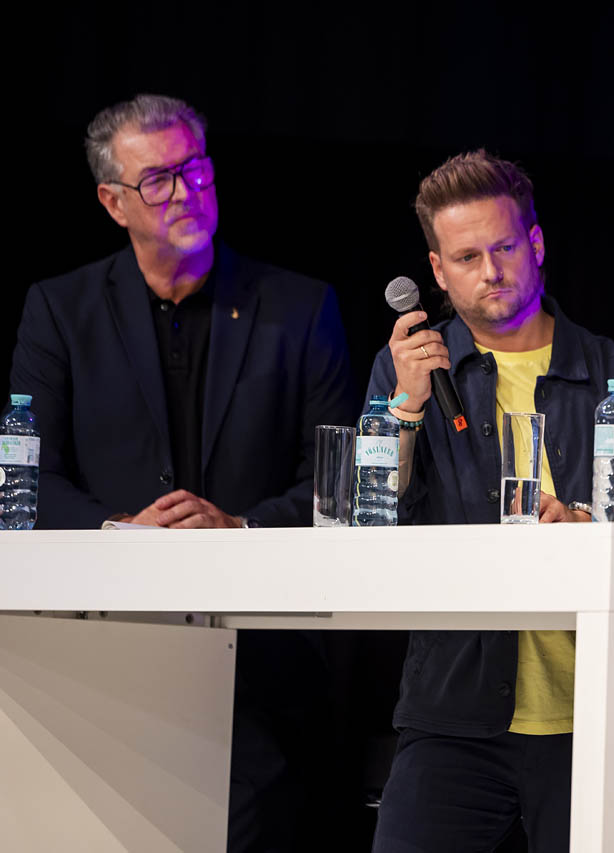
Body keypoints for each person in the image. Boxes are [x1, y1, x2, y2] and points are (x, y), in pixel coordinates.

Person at [8, 94, 357, 850]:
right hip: (105, 652)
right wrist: (121, 531)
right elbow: (25, 480)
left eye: (195, 170)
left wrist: (240, 526)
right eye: (158, 180)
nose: (186, 193)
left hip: (261, 664)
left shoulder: (300, 308)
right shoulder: (60, 310)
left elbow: (338, 483)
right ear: (113, 202)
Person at [365, 150, 614, 852]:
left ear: (536, 243)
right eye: (466, 257)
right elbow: (371, 518)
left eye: (503, 248)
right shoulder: (406, 371)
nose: (490, 271)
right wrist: (405, 408)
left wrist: (588, 525)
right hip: (453, 710)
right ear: (438, 271)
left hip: (596, 712)